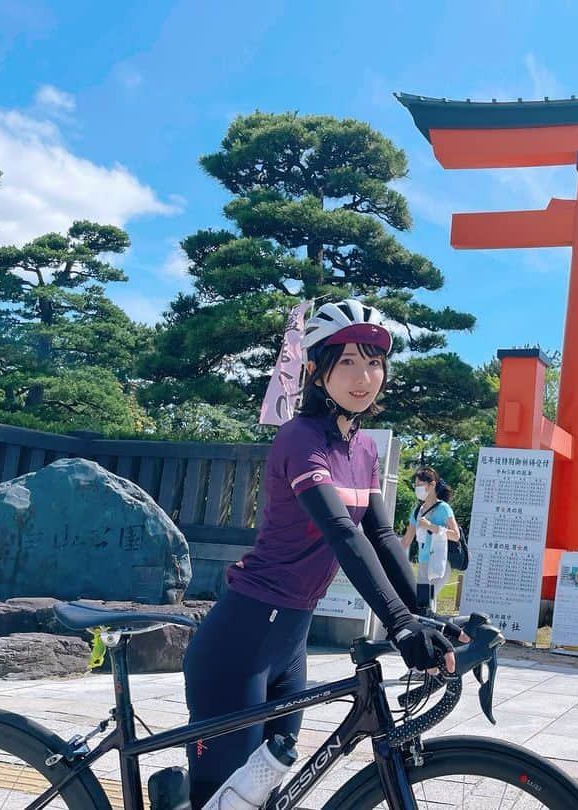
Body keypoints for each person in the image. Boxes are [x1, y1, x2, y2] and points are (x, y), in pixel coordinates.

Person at [181, 299, 456, 809]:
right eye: (346, 361)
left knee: (267, 794)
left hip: (290, 641)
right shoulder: (299, 439)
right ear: (314, 369)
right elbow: (340, 532)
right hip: (240, 642)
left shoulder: (363, 448)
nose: (363, 375)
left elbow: (380, 535)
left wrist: (426, 615)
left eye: (373, 361)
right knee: (223, 801)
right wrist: (398, 624)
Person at [401, 466, 461, 612]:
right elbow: (407, 539)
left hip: (439, 563)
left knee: (428, 600)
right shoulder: (417, 511)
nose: (417, 489)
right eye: (416, 486)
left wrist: (431, 526)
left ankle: (431, 632)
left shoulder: (443, 508)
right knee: (423, 604)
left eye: (420, 485)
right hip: (423, 564)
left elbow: (455, 535)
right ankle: (427, 631)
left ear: (432, 485)